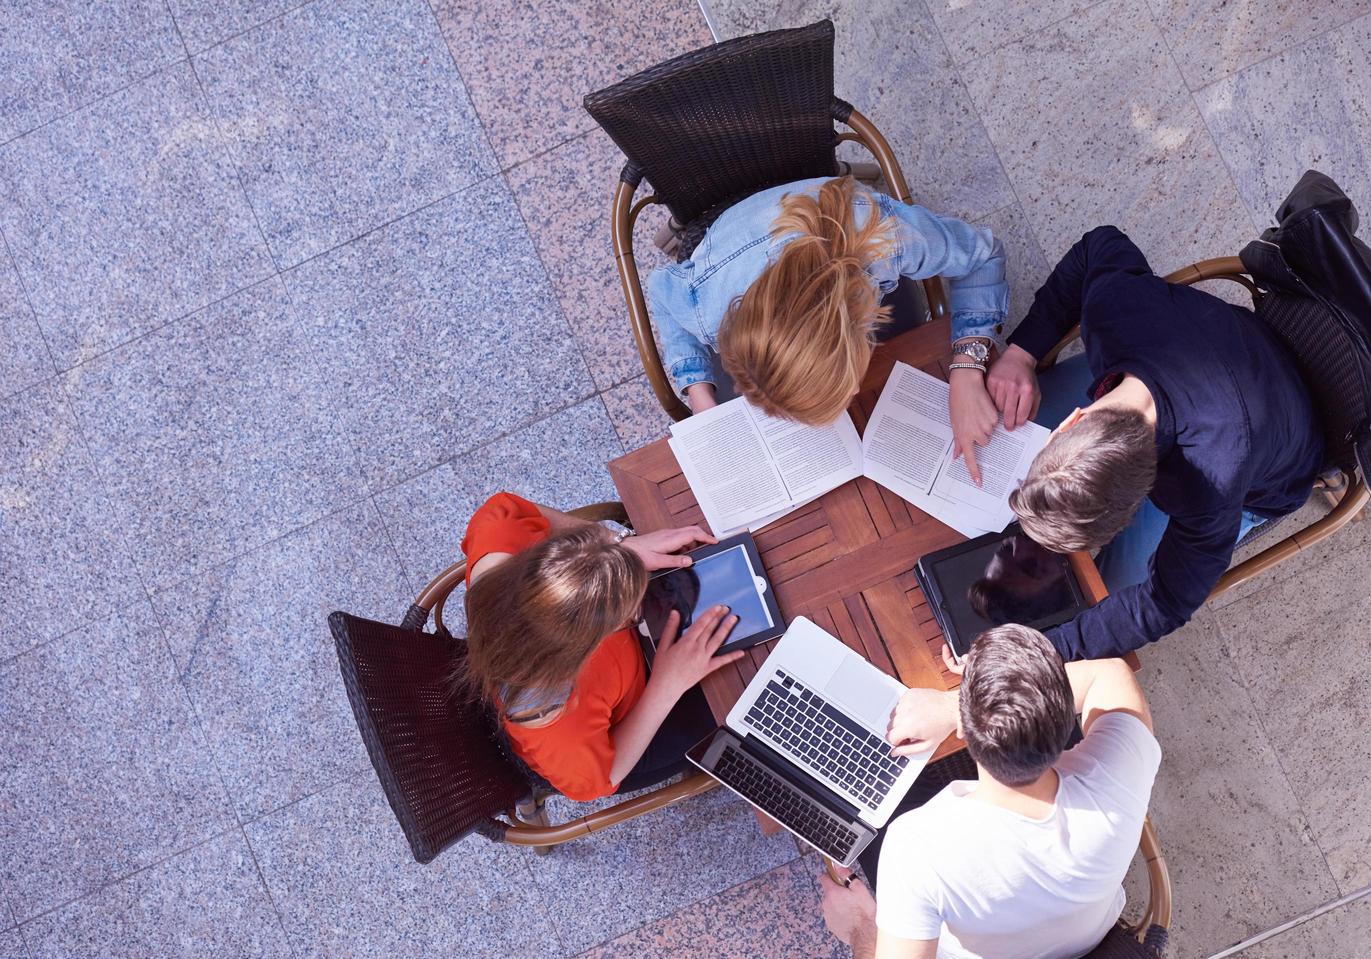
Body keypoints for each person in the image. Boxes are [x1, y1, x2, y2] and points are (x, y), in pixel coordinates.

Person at [978, 225, 1324, 660]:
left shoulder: (1211, 491)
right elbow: (1097, 245)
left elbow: (1167, 602)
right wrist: (1022, 352)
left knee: (1112, 592)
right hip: (1207, 360)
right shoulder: (1114, 310)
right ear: (1073, 421)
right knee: (996, 432)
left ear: (1149, 497)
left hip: (1278, 456)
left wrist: (1046, 651)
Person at [818, 625, 1160, 959]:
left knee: (872, 773)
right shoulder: (1118, 775)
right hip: (1090, 940)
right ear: (1063, 719)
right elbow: (1108, 674)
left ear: (963, 731)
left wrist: (861, 928)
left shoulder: (914, 850)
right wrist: (966, 707)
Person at [648, 175, 1010, 479]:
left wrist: (967, 366)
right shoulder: (703, 307)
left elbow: (984, 254)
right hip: (734, 247)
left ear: (856, 327)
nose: (854, 389)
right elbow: (661, 292)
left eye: (846, 384)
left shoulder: (888, 239)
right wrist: (698, 392)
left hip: (833, 214)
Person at [457, 492, 742, 801]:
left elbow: (504, 508)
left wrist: (617, 541)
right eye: (630, 615)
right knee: (731, 700)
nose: (640, 609)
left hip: (615, 684)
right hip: (613, 742)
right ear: (584, 651)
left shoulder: (498, 545)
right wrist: (666, 686)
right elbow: (599, 780)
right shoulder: (561, 732)